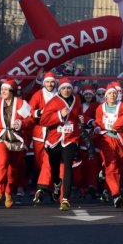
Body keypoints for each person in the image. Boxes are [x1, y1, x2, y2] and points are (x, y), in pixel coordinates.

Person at [39, 77, 82, 211]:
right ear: (59, 89)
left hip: (70, 138)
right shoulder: (53, 102)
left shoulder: (77, 99)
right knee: (55, 167)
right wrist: (59, 115)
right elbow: (43, 121)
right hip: (54, 139)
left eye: (68, 88)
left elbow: (79, 115)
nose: (66, 90)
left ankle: (65, 199)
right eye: (63, 88)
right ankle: (57, 183)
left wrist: (81, 118)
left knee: (68, 166)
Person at [93, 84, 123, 208]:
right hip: (107, 139)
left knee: (120, 167)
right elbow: (98, 121)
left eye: (114, 93)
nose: (112, 95)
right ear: (106, 95)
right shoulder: (101, 107)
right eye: (110, 93)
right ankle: (115, 194)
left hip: (121, 139)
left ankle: (116, 189)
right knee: (111, 166)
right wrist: (97, 128)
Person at [28, 72, 59, 204]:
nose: (50, 84)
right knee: (39, 163)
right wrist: (39, 113)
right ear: (44, 82)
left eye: (52, 82)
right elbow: (30, 111)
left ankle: (51, 188)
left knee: (51, 162)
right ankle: (39, 186)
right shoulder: (38, 95)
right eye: (47, 82)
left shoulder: (59, 95)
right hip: (39, 133)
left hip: (54, 133)